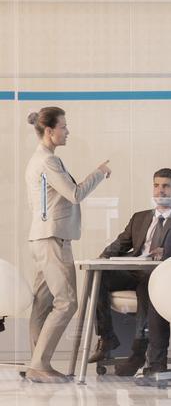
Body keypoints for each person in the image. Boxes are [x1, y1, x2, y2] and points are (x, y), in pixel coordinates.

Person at [24, 107, 110, 383]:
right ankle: (40, 364)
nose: (67, 131)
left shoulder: (43, 159)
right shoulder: (47, 162)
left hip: (43, 237)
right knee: (67, 302)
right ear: (49, 131)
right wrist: (100, 172)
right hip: (52, 239)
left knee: (43, 303)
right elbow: (75, 194)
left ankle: (38, 363)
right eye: (63, 126)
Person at [88, 168, 171, 376]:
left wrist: (169, 251)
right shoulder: (140, 217)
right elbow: (120, 244)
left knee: (146, 285)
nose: (160, 191)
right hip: (134, 269)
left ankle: (139, 352)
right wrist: (100, 259)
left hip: (162, 274)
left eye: (165, 186)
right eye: (156, 185)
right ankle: (107, 336)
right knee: (98, 275)